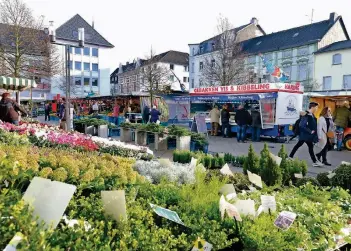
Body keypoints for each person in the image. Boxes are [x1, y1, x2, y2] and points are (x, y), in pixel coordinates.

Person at [289, 102, 323, 167]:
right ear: (312, 107)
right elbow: (302, 125)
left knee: (302, 146)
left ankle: (290, 157)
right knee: (307, 147)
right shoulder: (306, 115)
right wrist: (310, 131)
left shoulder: (312, 115)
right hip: (305, 135)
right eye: (316, 108)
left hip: (307, 136)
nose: (317, 109)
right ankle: (315, 161)